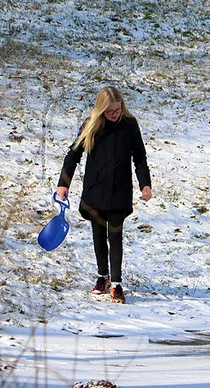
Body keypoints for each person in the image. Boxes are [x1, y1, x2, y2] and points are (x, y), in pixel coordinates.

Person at [57, 86, 152, 304]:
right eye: (109, 111)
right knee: (98, 235)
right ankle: (103, 277)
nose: (114, 114)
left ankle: (117, 285)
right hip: (95, 190)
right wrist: (63, 184)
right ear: (101, 109)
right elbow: (72, 156)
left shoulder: (129, 126)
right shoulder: (91, 126)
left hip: (119, 190)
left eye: (117, 110)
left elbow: (140, 158)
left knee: (115, 235)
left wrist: (145, 184)